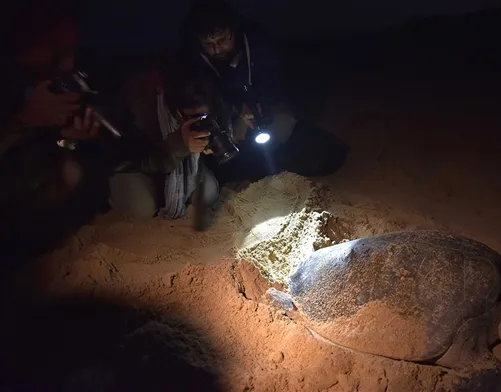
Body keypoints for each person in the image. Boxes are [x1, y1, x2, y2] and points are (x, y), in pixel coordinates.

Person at [179, 0, 349, 182]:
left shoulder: (257, 40)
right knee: (229, 158)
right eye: (208, 44)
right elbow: (204, 96)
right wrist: (235, 114)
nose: (216, 49)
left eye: (222, 40)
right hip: (226, 115)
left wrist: (256, 106)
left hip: (261, 106)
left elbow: (273, 82)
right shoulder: (194, 59)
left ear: (233, 32)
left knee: (286, 132)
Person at [0, 1, 101, 234]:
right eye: (57, 50)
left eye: (70, 52)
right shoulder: (11, 82)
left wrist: (69, 140)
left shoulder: (39, 84)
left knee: (71, 171)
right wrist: (23, 120)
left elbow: (43, 153)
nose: (67, 64)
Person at [108, 57, 226, 228]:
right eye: (192, 117)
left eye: (205, 116)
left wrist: (212, 141)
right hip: (136, 164)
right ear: (175, 111)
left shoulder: (209, 96)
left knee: (209, 193)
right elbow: (140, 161)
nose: (199, 121)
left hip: (179, 163)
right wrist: (180, 144)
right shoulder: (140, 106)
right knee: (141, 208)